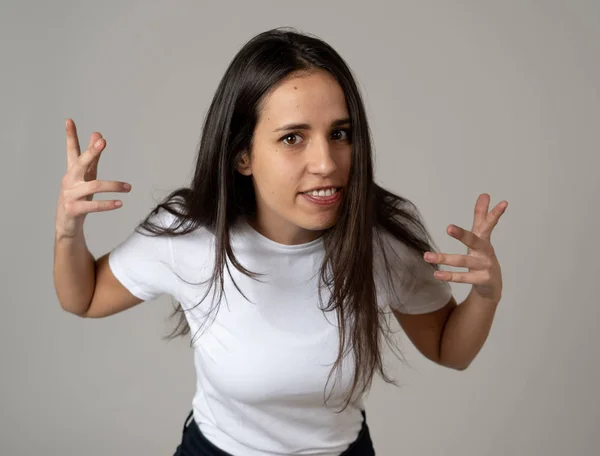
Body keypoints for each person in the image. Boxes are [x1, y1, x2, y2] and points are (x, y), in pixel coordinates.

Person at [54, 27, 506, 456]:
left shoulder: (379, 239)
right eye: (293, 138)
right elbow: (84, 297)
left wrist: (485, 295)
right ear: (243, 155)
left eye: (339, 134)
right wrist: (67, 231)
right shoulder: (191, 235)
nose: (326, 163)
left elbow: (450, 351)